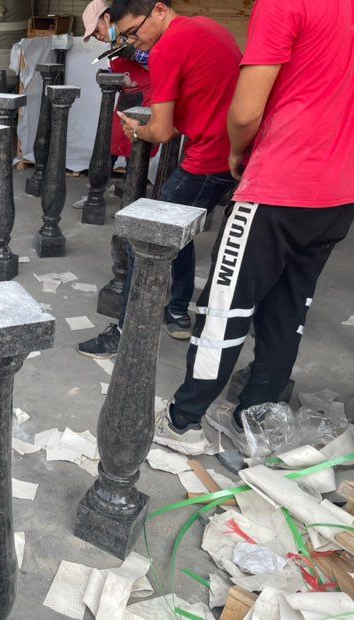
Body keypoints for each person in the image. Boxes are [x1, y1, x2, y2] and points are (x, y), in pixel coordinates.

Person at [154, 0, 354, 456]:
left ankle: (182, 421)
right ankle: (255, 422)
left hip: (279, 181)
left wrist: (236, 151)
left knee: (224, 306)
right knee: (289, 308)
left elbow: (245, 112)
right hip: (338, 190)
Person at [77, 0, 240, 360]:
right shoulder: (210, 28)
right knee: (178, 231)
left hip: (209, 159)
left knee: (145, 237)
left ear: (160, 10)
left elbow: (162, 132)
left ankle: (126, 334)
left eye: (134, 32)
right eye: (127, 36)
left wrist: (137, 131)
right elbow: (205, 99)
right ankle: (177, 311)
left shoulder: (166, 49)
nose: (134, 41)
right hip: (234, 153)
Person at [80, 0, 152, 169]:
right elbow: (121, 71)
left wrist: (135, 54)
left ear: (107, 17)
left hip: (146, 100)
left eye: (97, 30)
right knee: (111, 140)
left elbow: (160, 62)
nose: (98, 36)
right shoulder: (114, 44)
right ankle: (101, 180)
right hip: (126, 100)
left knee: (136, 145)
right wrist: (109, 76)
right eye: (93, 35)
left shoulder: (137, 33)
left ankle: (133, 180)